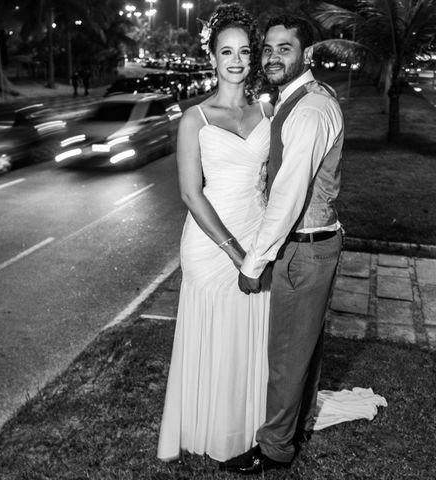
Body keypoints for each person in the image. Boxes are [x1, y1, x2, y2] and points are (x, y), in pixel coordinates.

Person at [226, 14, 345, 474]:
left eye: (285, 48)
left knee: (286, 356)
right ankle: (294, 429)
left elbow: (289, 196)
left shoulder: (310, 109)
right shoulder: (299, 100)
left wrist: (253, 263)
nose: (273, 56)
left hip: (302, 248)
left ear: (307, 54)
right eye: (269, 48)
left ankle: (274, 448)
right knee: (305, 350)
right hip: (317, 243)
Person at [157, 3, 273, 463]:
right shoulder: (195, 120)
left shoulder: (268, 111)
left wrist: (260, 249)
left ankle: (249, 426)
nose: (237, 60)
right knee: (216, 333)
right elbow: (191, 195)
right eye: (227, 51)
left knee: (250, 334)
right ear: (213, 58)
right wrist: (236, 253)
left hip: (259, 236)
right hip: (212, 245)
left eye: (244, 51)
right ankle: (210, 428)